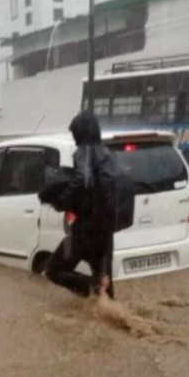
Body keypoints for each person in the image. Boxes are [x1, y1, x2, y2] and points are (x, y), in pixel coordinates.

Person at [44, 110, 121, 300]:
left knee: (53, 270)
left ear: (81, 133)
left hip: (86, 229)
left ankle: (93, 289)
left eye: (75, 134)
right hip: (107, 230)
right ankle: (107, 309)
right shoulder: (108, 154)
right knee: (107, 288)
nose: (75, 139)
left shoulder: (84, 151)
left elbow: (82, 179)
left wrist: (63, 201)